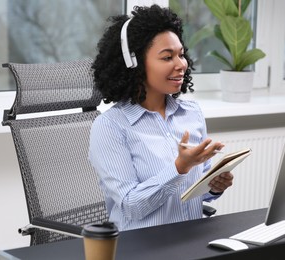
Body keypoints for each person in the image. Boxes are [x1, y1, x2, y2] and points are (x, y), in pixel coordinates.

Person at [89, 4, 234, 231]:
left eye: (181, 55)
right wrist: (179, 168)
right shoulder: (110, 127)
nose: (181, 65)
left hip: (190, 240)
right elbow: (131, 206)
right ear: (133, 64)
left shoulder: (191, 114)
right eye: (167, 57)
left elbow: (197, 193)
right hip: (143, 249)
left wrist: (214, 186)